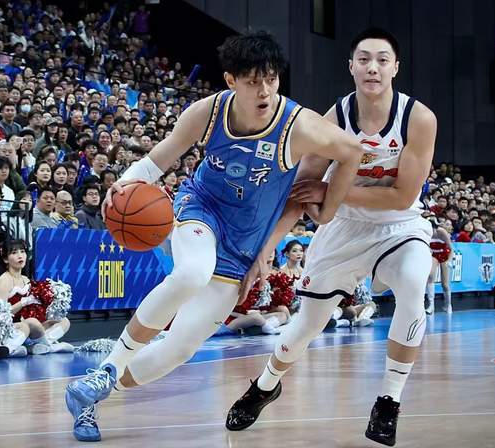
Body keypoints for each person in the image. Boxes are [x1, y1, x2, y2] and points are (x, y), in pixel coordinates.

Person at [64, 30, 362, 442]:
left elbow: (353, 152)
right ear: (231, 80)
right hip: (201, 209)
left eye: (271, 79)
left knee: (178, 350)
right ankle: (111, 367)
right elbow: (160, 158)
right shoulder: (207, 112)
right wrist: (125, 181)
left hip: (244, 247)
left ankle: (91, 392)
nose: (265, 90)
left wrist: (326, 207)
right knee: (192, 273)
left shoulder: (300, 125)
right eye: (253, 81)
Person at [225, 28, 437, 448]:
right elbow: (303, 190)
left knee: (414, 284)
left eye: (382, 60)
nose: (373, 67)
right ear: (351, 66)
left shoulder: (418, 118)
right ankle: (266, 385)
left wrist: (332, 191)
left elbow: (402, 195)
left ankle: (389, 400)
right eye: (364, 59)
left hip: (400, 223)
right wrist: (268, 246)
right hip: (343, 227)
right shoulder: (333, 119)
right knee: (307, 325)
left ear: (395, 68)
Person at [0, 239, 73, 355]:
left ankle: (40, 344)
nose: (20, 256)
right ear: (6, 259)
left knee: (63, 321)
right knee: (32, 322)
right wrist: (23, 302)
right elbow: (0, 315)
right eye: (14, 253)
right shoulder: (4, 280)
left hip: (31, 325)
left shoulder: (26, 279)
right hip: (14, 329)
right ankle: (49, 347)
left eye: (22, 251)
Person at [426, 220, 453, 314]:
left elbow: (451, 248)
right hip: (434, 255)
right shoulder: (425, 233)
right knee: (430, 277)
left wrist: (449, 261)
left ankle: (448, 305)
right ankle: (431, 305)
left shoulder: (442, 232)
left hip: (445, 255)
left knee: (445, 284)